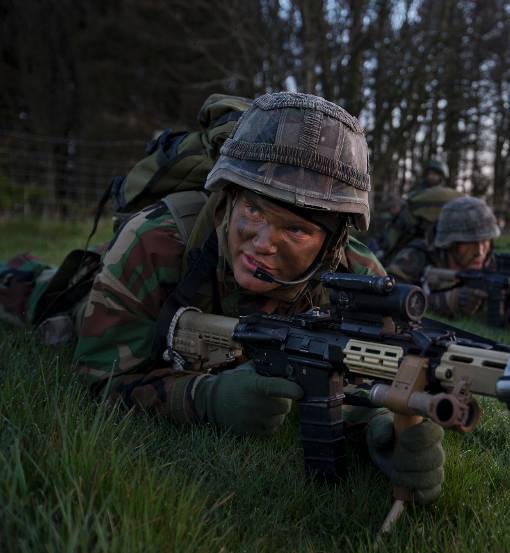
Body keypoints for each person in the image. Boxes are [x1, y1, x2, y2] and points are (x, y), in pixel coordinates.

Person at [2, 92, 445, 504]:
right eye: (253, 210)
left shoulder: (358, 278)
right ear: (228, 197)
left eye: (295, 229)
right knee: (44, 299)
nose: (262, 243)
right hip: (117, 295)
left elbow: (371, 376)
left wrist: (385, 428)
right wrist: (207, 399)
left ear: (332, 243)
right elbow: (101, 377)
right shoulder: (158, 238)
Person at [387, 196, 510, 333]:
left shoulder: (497, 265)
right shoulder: (416, 257)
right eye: (470, 243)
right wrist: (438, 302)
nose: (480, 251)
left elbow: (509, 306)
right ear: (450, 243)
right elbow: (388, 297)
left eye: (485, 241)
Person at [376, 158, 462, 264]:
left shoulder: (448, 196)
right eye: (430, 173)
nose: (431, 176)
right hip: (418, 241)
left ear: (442, 177)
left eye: (435, 174)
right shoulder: (416, 195)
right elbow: (401, 224)